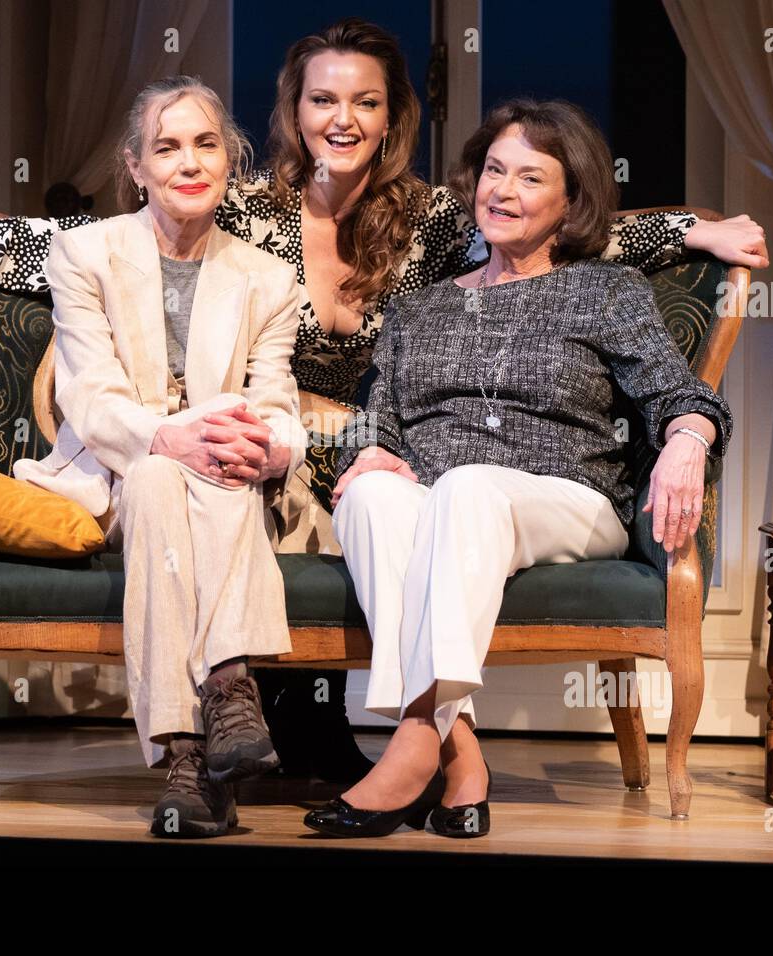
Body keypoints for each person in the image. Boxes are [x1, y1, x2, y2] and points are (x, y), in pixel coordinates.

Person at [0, 18, 766, 784]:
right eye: (323, 98)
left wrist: (697, 227)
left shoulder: (435, 220)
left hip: (375, 439)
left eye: (366, 100)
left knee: (366, 490)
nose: (343, 117)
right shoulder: (245, 209)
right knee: (268, 484)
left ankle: (379, 740)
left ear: (394, 114)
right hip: (260, 433)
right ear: (294, 111)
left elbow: (564, 222)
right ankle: (300, 736)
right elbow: (79, 240)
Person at [303, 98, 735, 839]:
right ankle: (461, 756)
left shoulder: (605, 290)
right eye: (494, 170)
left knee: (468, 486)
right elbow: (375, 415)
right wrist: (368, 448)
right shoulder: (421, 308)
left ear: (572, 202)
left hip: (567, 499)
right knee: (371, 494)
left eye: (530, 177)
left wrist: (689, 444)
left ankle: (411, 741)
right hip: (442, 497)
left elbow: (681, 393)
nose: (502, 190)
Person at [8, 75, 307, 838]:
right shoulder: (85, 253)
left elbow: (275, 403)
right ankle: (231, 690)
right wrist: (171, 436)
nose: (189, 162)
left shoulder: (268, 279)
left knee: (216, 468)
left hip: (223, 484)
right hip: (115, 475)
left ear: (229, 161)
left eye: (206, 144)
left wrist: (265, 445)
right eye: (166, 147)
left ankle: (185, 762)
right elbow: (91, 396)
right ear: (136, 167)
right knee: (152, 470)